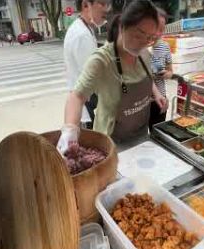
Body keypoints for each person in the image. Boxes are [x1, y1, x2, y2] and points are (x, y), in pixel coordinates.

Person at [58, 0, 168, 153]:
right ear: (123, 26)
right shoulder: (101, 60)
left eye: (150, 38)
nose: (143, 43)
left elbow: (146, 77)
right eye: (138, 36)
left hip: (141, 137)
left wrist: (156, 93)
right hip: (111, 143)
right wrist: (70, 130)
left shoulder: (144, 54)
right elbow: (76, 96)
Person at [63, 0, 110, 129]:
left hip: (84, 101)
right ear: (85, 5)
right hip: (86, 104)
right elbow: (94, 76)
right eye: (102, 4)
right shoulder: (81, 34)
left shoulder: (84, 28)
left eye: (107, 4)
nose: (106, 9)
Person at [149, 9, 173, 131]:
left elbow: (170, 70)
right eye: (156, 27)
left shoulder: (165, 46)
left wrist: (166, 74)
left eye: (162, 29)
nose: (158, 33)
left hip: (160, 100)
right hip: (141, 102)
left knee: (157, 133)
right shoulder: (139, 47)